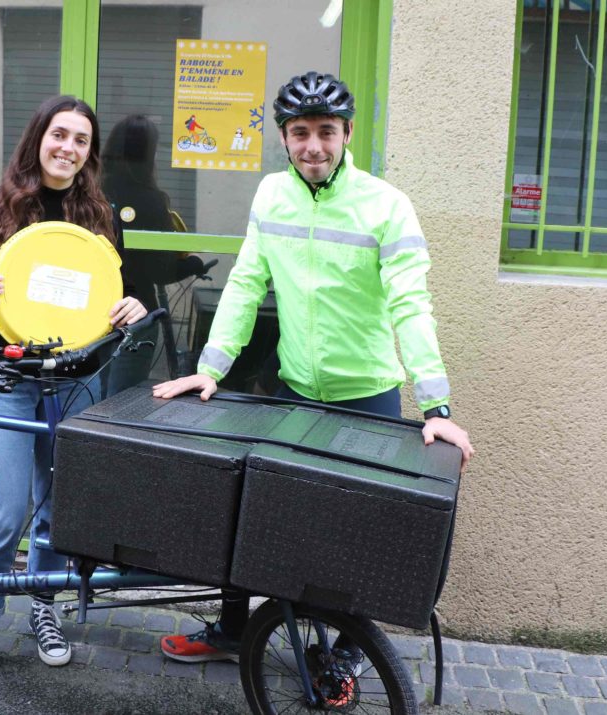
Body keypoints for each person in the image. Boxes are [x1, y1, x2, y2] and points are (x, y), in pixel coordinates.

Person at [152, 71, 475, 665]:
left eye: (326, 131)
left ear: (347, 132)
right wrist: (212, 367)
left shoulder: (386, 205)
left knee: (356, 533)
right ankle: (231, 632)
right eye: (300, 133)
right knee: (255, 513)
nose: (313, 147)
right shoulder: (271, 195)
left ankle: (348, 653)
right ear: (283, 137)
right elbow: (246, 283)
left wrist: (437, 408)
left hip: (368, 398)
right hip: (296, 390)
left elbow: (411, 305)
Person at [0, 95, 147, 697]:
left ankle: (42, 605)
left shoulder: (101, 217)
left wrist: (129, 308)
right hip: (6, 378)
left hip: (75, 383)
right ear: (38, 138)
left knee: (59, 511)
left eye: (81, 141)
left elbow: (116, 294)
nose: (68, 148)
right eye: (60, 135)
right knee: (2, 510)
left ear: (90, 154)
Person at [100, 114, 205, 395]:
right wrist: (193, 264)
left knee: (86, 398)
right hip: (136, 312)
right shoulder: (150, 199)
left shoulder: (93, 190)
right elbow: (160, 271)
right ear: (148, 154)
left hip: (92, 307)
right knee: (119, 403)